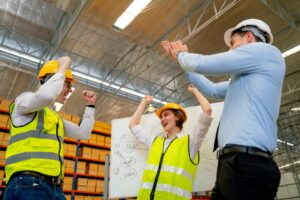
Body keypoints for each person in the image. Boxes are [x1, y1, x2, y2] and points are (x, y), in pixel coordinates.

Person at [161, 19, 285, 200]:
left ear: (249, 37)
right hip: (233, 164)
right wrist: (184, 64)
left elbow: (205, 63)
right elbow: (212, 90)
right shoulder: (245, 78)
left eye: (233, 43)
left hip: (248, 164)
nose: (230, 49)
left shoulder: (268, 52)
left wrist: (182, 55)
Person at [4, 56, 96, 200]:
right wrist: (63, 66)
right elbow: (46, 96)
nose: (70, 90)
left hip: (54, 187)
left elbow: (83, 133)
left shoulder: (54, 117)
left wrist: (90, 106)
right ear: (50, 80)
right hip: (28, 182)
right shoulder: (23, 100)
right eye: (67, 84)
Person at [129, 85, 213, 200]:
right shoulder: (154, 141)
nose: (162, 119)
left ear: (177, 117)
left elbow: (207, 110)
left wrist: (195, 91)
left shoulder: (190, 143)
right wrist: (144, 103)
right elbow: (133, 125)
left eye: (166, 114)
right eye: (161, 117)